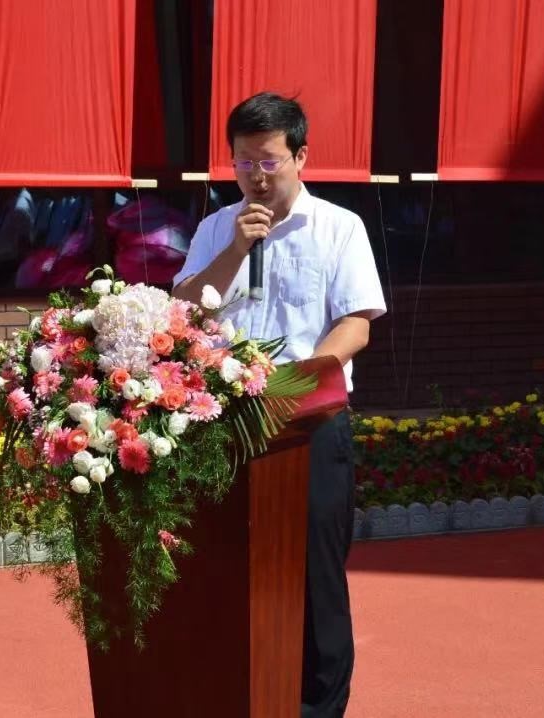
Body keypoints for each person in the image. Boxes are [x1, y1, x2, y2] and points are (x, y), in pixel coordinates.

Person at [172, 92, 387, 717]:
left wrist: (297, 386)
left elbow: (356, 324)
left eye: (268, 161)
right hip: (224, 424)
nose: (256, 176)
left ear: (300, 156)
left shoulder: (339, 227)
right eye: (243, 163)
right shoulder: (217, 228)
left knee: (315, 577)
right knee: (226, 569)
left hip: (309, 424)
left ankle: (317, 710)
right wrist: (236, 249)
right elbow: (184, 310)